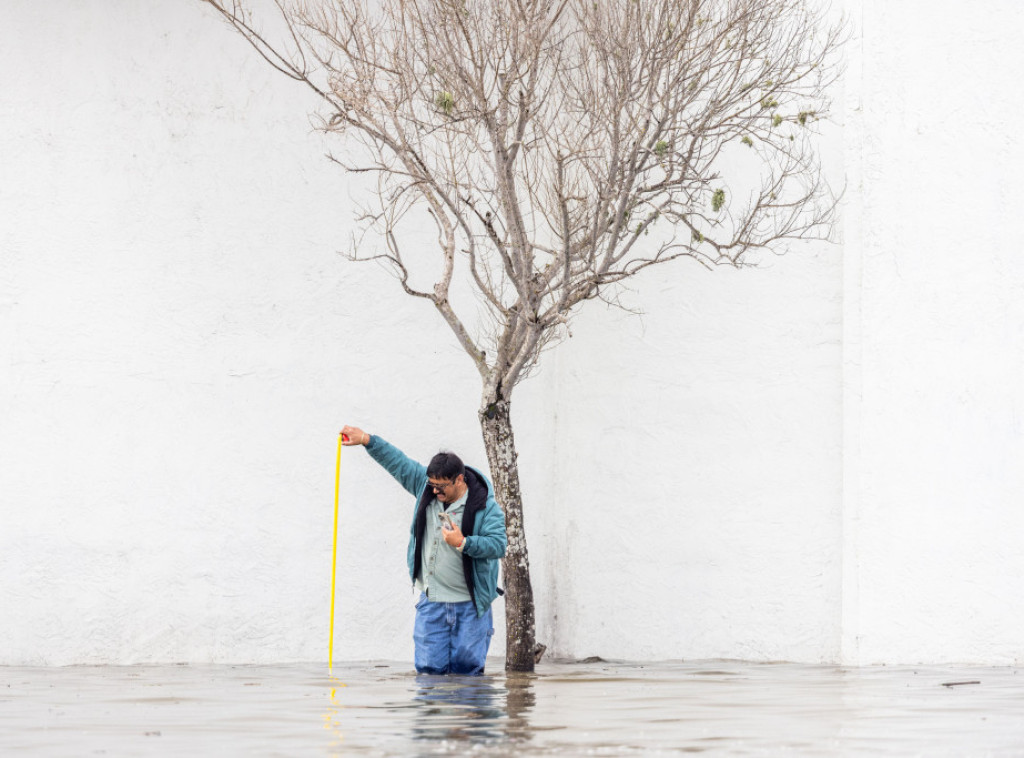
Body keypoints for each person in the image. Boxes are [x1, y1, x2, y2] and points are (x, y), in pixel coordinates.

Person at [341, 425, 507, 675]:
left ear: (459, 480)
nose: (435, 491)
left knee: (469, 676)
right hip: (432, 603)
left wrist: (464, 542)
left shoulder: (485, 506)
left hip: (471, 607)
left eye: (442, 486)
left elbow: (498, 545)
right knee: (428, 675)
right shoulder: (426, 489)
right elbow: (398, 463)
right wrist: (366, 440)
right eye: (432, 485)